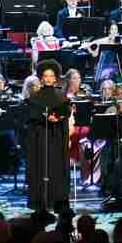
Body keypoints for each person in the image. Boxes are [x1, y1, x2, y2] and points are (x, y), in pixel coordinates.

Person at [25, 59, 72, 218]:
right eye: (46, 76)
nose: (49, 79)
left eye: (51, 76)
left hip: (56, 138)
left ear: (55, 78)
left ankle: (58, 201)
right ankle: (41, 202)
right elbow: (30, 115)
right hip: (41, 138)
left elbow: (66, 112)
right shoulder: (35, 96)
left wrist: (58, 117)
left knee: (56, 168)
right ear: (42, 78)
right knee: (41, 168)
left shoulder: (62, 95)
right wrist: (43, 117)